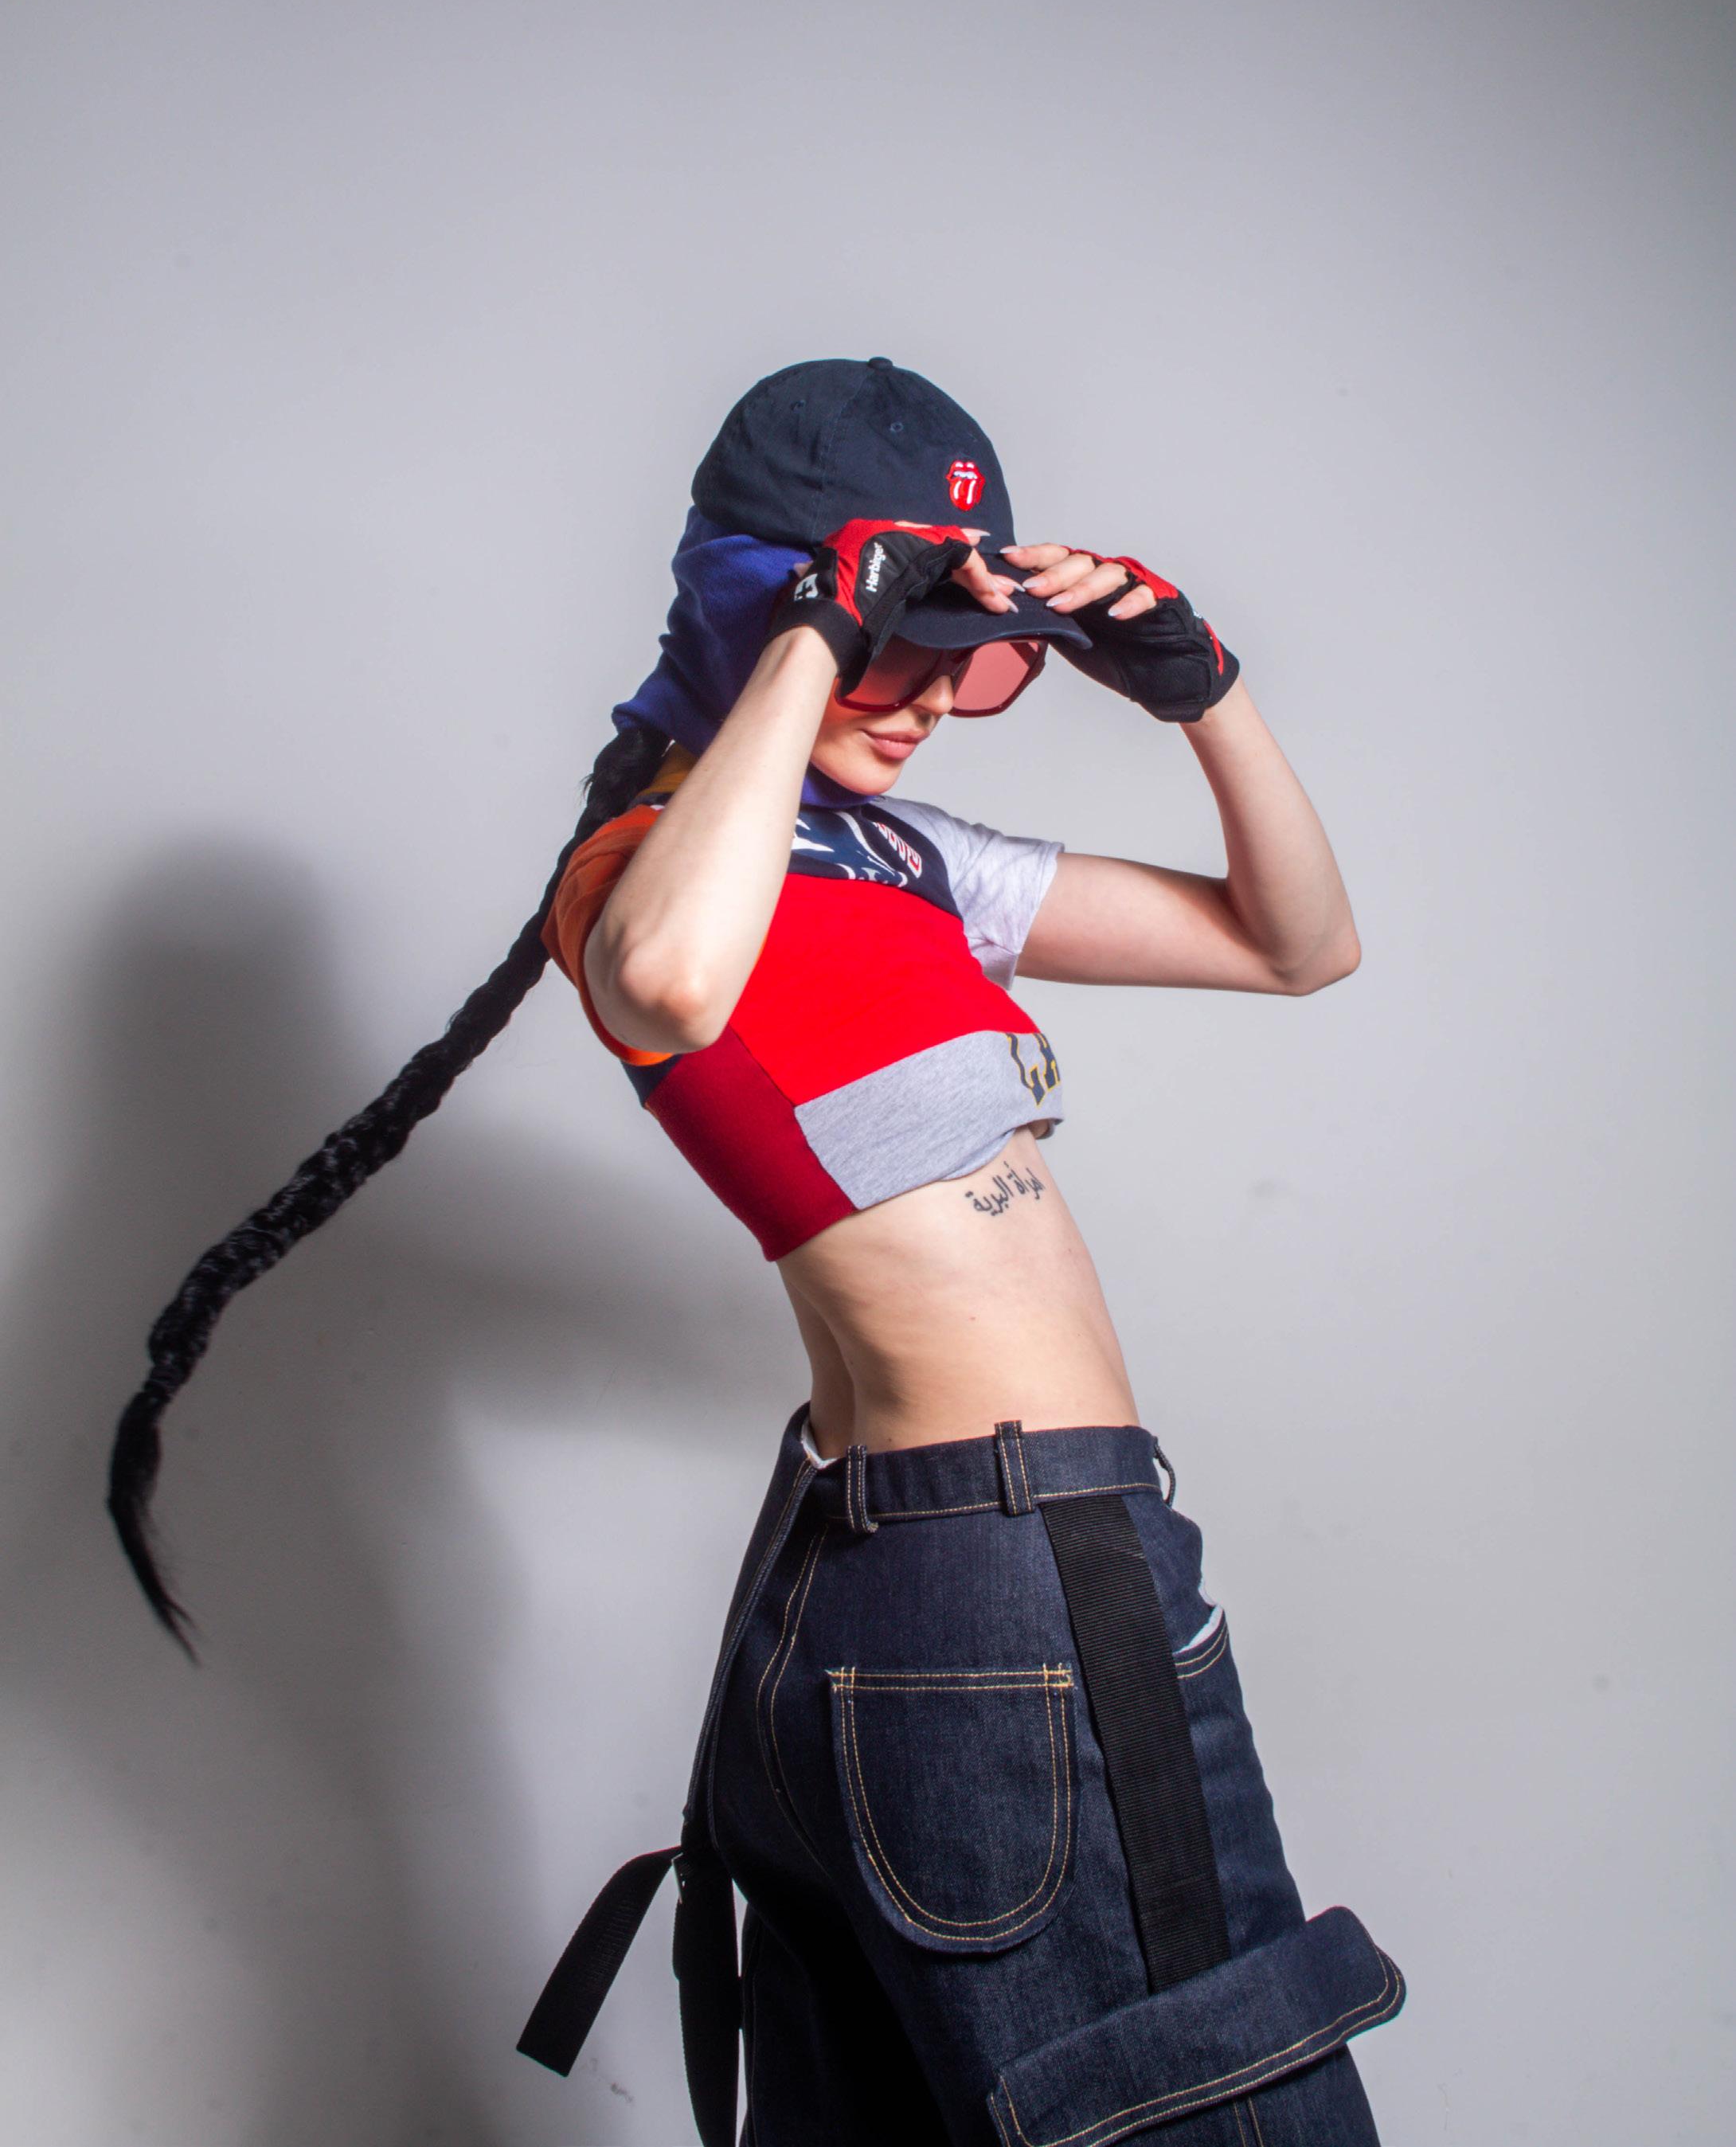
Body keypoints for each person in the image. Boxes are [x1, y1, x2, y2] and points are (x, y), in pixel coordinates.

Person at [110, 358, 1405, 2145]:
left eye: (973, 658)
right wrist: (810, 636)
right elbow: (663, 978)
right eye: (903, 646)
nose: (933, 698)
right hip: (1016, 1572)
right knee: (1213, 2105)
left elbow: (1295, 945)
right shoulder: (646, 868)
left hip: (917, 1576)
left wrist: (1207, 693)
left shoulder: (897, 852)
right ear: (769, 610)